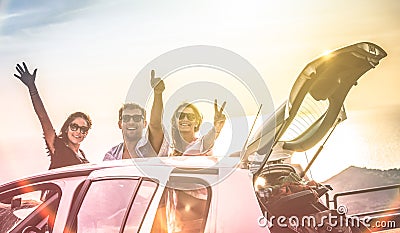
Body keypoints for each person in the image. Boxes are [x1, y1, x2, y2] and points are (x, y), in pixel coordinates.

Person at [13, 62, 92, 169]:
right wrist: (32, 88)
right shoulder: (58, 147)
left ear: (86, 133)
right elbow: (43, 117)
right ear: (66, 128)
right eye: (74, 127)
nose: (78, 132)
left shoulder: (82, 156)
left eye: (83, 129)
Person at [103, 70, 168, 160]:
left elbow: (156, 125)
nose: (131, 122)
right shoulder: (111, 155)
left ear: (144, 123)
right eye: (126, 118)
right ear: (119, 124)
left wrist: (158, 94)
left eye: (137, 118)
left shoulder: (150, 148)